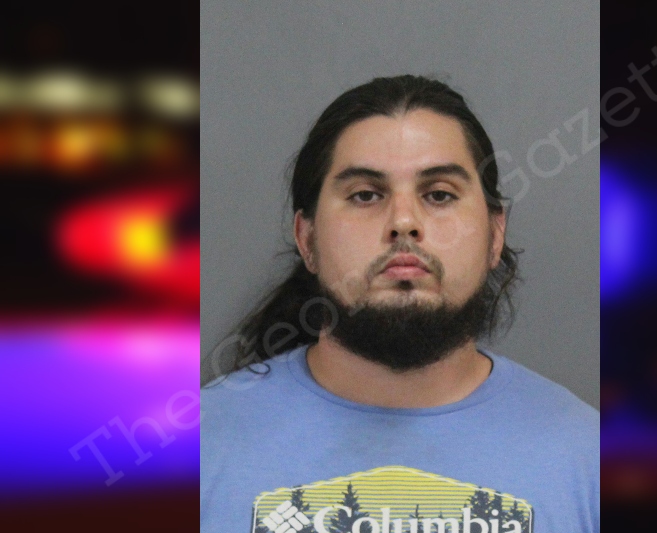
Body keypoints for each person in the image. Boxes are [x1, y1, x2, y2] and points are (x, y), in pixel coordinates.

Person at [201, 75, 598, 533]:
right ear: (307, 239)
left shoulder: (590, 460)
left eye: (439, 195)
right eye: (365, 195)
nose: (404, 221)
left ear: (495, 235)